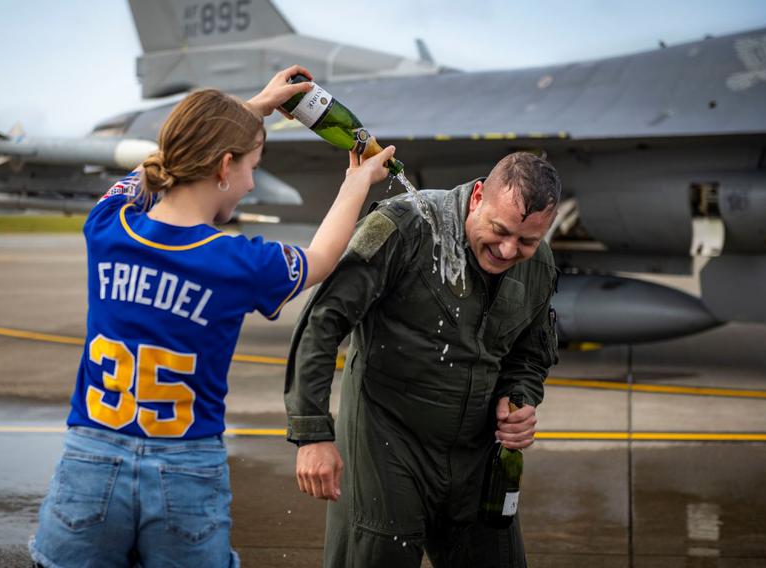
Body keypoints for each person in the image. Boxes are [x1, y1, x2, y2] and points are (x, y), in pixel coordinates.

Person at [29, 65, 396, 568]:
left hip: (92, 460)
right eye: (251, 166)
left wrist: (250, 110)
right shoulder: (237, 263)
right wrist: (357, 182)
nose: (249, 184)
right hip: (184, 469)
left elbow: (148, 172)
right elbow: (322, 258)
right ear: (225, 167)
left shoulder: (107, 226)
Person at [284, 152, 562, 567]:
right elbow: (322, 321)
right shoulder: (406, 226)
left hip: (475, 455)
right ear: (478, 197)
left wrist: (519, 398)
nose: (508, 250)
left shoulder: (538, 265)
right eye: (499, 231)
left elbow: (529, 353)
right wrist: (312, 434)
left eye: (526, 241)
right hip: (386, 445)